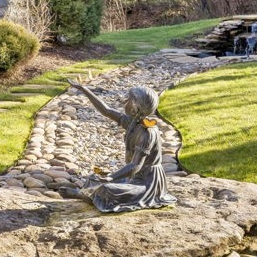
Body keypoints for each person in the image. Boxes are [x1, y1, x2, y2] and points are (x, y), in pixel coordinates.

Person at [68, 80, 176, 212]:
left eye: (129, 100)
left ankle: (87, 196)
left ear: (136, 108)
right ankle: (88, 195)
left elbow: (135, 166)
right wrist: (83, 89)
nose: (125, 102)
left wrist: (111, 177)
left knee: (107, 189)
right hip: (132, 177)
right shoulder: (132, 122)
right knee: (94, 178)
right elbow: (106, 111)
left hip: (147, 183)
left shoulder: (147, 133)